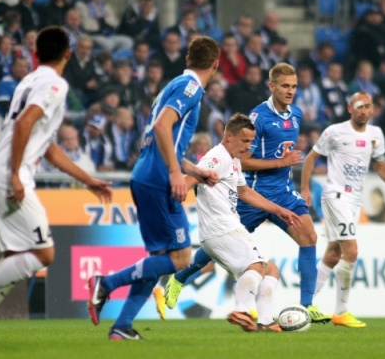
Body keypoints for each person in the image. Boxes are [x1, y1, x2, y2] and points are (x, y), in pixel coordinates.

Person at [0, 26, 113, 343]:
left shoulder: (29, 80)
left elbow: (46, 144)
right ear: (68, 53)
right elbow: (24, 124)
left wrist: (87, 179)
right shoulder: (55, 84)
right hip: (9, 175)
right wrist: (14, 173)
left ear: (36, 54)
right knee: (44, 254)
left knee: (18, 257)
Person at [165, 63, 329, 324]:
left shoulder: (296, 115)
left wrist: (288, 173)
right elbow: (243, 160)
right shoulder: (257, 117)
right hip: (253, 192)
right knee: (217, 245)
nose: (290, 91)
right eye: (285, 86)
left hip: (285, 192)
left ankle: (306, 306)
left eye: (294, 86)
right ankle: (181, 277)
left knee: (309, 236)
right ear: (272, 86)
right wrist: (279, 163)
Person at [87, 35, 221, 340]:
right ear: (215, 64)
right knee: (181, 258)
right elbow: (162, 127)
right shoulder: (190, 89)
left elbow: (165, 141)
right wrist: (176, 173)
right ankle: (105, 284)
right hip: (159, 179)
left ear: (188, 59)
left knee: (158, 257)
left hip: (146, 174)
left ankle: (122, 326)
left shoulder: (172, 85)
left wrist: (193, 170)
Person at [187, 113, 302, 332]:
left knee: (271, 270)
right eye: (245, 141)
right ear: (229, 136)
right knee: (256, 266)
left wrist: (280, 210)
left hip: (227, 228)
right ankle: (241, 310)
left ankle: (265, 321)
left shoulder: (234, 160)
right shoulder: (217, 157)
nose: (249, 146)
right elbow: (191, 178)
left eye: (251, 141)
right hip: (221, 227)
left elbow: (244, 192)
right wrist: (178, 188)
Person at [301, 92, 385, 328]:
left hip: (354, 200)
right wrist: (305, 188)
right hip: (336, 196)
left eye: (367, 106)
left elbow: (380, 163)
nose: (363, 110)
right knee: (351, 252)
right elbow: (311, 158)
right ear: (349, 109)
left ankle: (303, 306)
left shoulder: (376, 134)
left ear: (372, 109)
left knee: (334, 254)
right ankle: (341, 311)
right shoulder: (334, 131)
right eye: (359, 106)